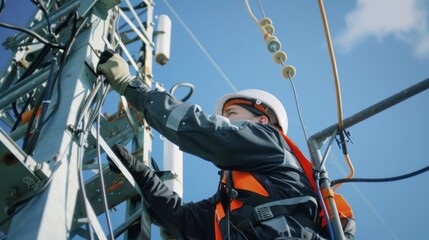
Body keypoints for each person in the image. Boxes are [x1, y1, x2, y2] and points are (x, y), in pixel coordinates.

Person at [97, 50, 355, 239]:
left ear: (262, 120)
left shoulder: (270, 141)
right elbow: (182, 220)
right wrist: (141, 173)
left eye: (231, 115)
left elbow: (199, 129)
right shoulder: (230, 206)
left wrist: (131, 87)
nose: (223, 121)